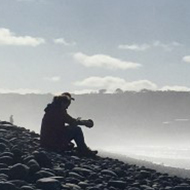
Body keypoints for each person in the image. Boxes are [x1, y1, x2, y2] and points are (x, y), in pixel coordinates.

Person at [40, 92, 97, 157]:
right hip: (51, 142)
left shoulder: (52, 109)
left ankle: (72, 147)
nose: (67, 107)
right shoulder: (58, 111)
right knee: (77, 130)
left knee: (72, 129)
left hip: (45, 141)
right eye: (67, 105)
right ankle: (84, 150)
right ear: (63, 103)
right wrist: (85, 123)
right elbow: (71, 121)